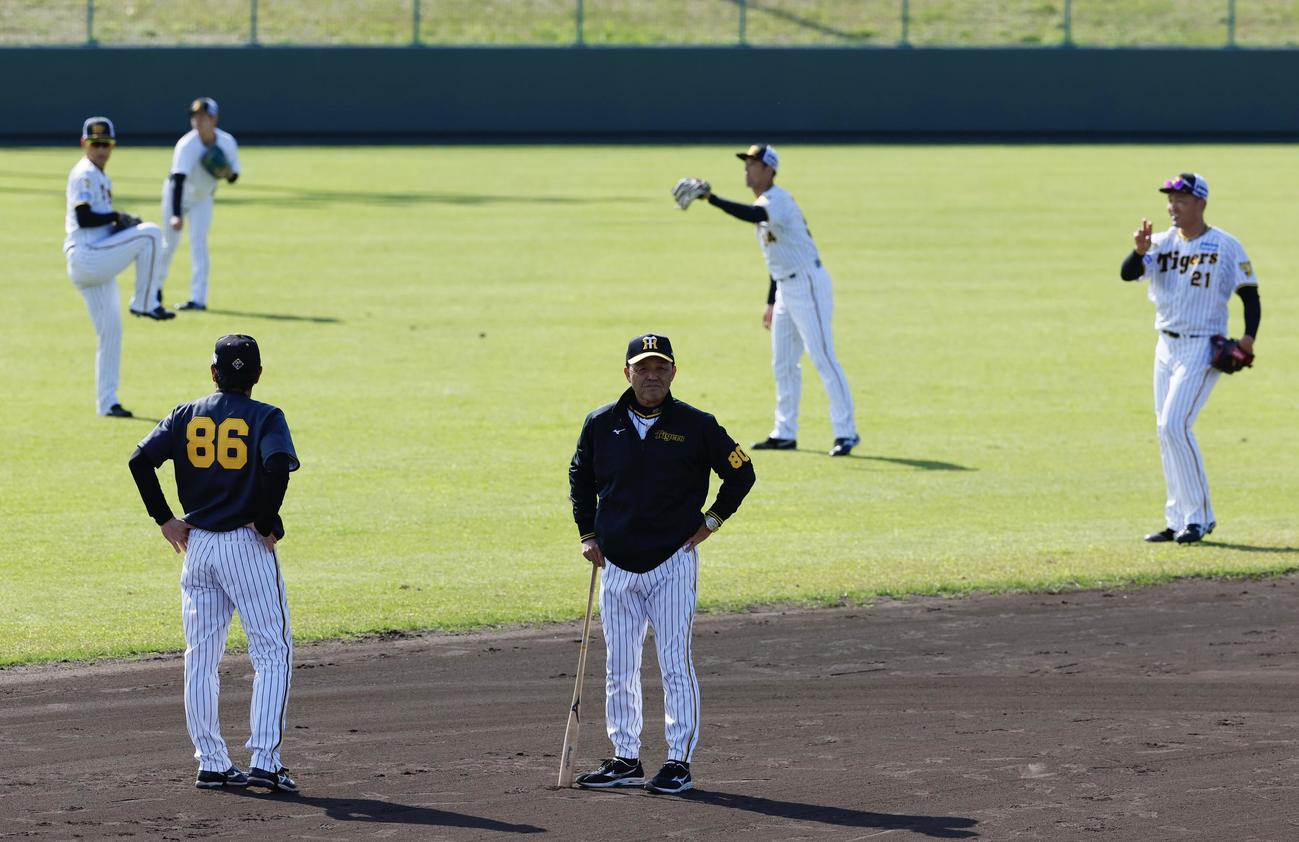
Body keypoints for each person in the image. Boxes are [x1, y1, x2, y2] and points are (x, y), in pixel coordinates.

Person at [568, 333, 756, 794]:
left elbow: (741, 472)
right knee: (620, 665)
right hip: (616, 566)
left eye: (660, 367)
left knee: (674, 662)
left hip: (672, 560)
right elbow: (580, 477)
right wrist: (588, 535)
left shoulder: (697, 425)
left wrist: (711, 521)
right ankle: (625, 758)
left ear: (674, 371)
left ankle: (678, 762)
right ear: (627, 373)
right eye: (643, 367)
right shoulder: (600, 424)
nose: (652, 376)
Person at [128, 335, 301, 792]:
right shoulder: (266, 416)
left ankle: (212, 761)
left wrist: (165, 519)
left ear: (213, 373)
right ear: (258, 375)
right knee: (272, 652)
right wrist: (267, 520)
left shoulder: (186, 414)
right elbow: (278, 465)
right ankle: (265, 759)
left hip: (198, 548)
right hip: (245, 546)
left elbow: (139, 461)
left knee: (201, 658)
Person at [685, 144, 859, 457]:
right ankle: (784, 432)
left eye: (752, 163)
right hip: (784, 288)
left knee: (822, 356)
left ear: (769, 170)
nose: (747, 169)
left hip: (808, 284)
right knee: (783, 362)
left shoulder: (777, 200)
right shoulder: (766, 202)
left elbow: (752, 214)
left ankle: (846, 432)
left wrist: (711, 199)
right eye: (746, 163)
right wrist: (770, 300)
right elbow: (776, 258)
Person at [1121, 172, 1261, 544]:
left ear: (1200, 203)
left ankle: (1200, 518)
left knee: (1174, 426)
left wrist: (1249, 337)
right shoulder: (1162, 243)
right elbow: (1128, 275)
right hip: (1165, 347)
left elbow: (1250, 294)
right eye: (1169, 200)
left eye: (1180, 200)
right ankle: (1177, 517)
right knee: (1164, 432)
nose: (1172, 206)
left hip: (1201, 347)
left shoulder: (1226, 245)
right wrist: (1138, 251)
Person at [63, 116, 171, 418]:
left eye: (105, 144)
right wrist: (117, 218)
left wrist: (121, 224)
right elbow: (85, 218)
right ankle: (145, 302)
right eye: (95, 143)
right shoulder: (84, 174)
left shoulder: (99, 175)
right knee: (151, 233)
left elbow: (101, 223)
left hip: (96, 257)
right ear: (84, 144)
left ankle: (107, 402)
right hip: (88, 256)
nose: (100, 149)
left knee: (111, 333)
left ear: (113, 146)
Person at [156, 97, 241, 312]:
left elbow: (233, 176)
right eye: (195, 117)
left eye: (204, 116)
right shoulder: (187, 144)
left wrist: (228, 174)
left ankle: (198, 299)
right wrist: (176, 214)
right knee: (169, 243)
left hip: (202, 199)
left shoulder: (226, 142)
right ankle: (154, 290)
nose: (199, 121)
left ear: (214, 119)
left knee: (199, 244)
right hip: (177, 196)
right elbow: (177, 180)